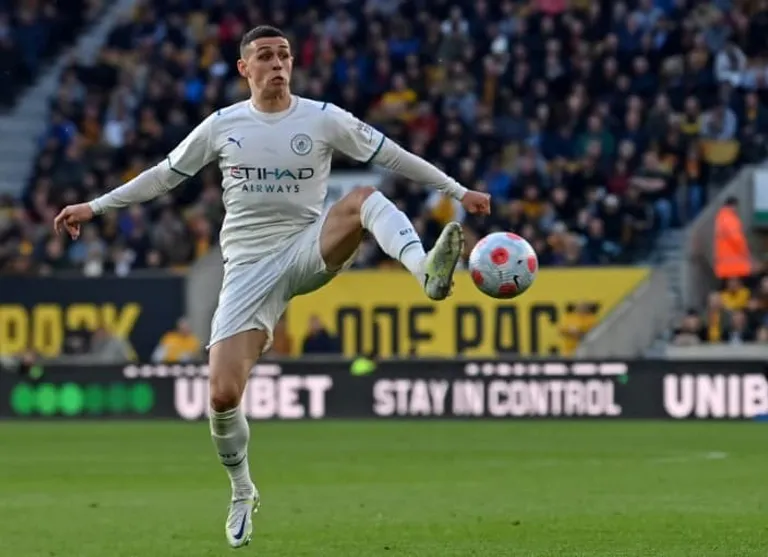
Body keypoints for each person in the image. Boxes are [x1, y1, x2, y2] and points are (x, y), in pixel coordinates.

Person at [52, 25, 490, 549]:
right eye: (265, 56)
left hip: (306, 246)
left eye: (284, 55)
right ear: (244, 68)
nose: (278, 63)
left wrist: (457, 190)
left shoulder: (322, 117)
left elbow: (391, 154)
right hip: (247, 270)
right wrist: (95, 206)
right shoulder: (222, 125)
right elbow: (164, 175)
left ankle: (424, 272)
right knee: (221, 396)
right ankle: (242, 490)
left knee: (363, 199)